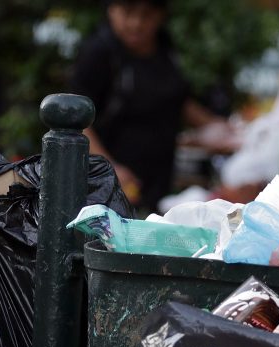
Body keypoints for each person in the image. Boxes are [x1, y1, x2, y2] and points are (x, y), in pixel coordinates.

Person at [69, 0, 227, 211]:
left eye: (146, 15)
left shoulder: (165, 48)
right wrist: (109, 170)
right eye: (128, 12)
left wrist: (222, 130)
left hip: (157, 182)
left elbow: (179, 102)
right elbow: (76, 121)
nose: (136, 23)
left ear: (161, 16)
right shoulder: (99, 53)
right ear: (111, 10)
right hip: (107, 187)